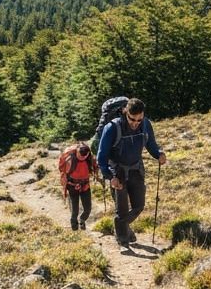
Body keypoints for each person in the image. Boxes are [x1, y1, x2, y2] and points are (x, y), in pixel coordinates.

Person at [96, 97, 166, 249]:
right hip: (118, 172)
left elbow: (151, 143)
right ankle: (123, 240)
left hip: (136, 169)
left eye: (139, 120)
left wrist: (159, 154)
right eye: (132, 119)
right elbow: (101, 158)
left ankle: (120, 225)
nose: (135, 123)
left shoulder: (145, 124)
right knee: (121, 209)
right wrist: (110, 176)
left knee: (138, 206)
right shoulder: (112, 128)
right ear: (125, 112)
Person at [59, 141, 99, 231]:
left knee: (88, 209)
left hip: (85, 185)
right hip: (72, 186)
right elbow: (62, 169)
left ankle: (82, 220)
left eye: (84, 156)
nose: (82, 158)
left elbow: (95, 166)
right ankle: (74, 227)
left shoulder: (89, 158)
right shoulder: (69, 158)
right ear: (77, 152)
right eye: (80, 156)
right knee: (75, 210)